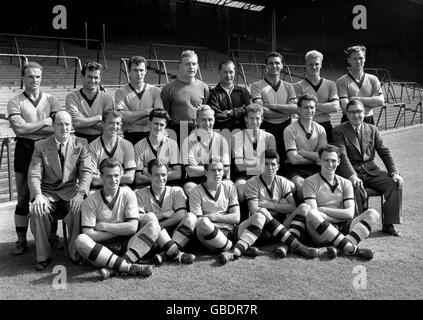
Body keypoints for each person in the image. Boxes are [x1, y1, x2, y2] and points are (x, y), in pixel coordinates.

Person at [7, 61, 61, 255]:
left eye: (38, 76)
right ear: (23, 78)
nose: (35, 80)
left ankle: (52, 237)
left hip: (48, 147)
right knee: (22, 196)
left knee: (51, 192)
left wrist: (33, 126)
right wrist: (45, 122)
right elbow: (19, 129)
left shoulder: (51, 99)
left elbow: (56, 128)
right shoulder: (15, 101)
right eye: (30, 76)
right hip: (24, 148)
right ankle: (21, 240)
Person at [75, 158, 160, 280]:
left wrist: (104, 226)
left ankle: (115, 268)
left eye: (116, 175)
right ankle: (129, 267)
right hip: (102, 251)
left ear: (121, 174)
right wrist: (121, 227)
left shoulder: (128, 193)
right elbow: (89, 234)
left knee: (153, 224)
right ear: (101, 176)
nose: (114, 180)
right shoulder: (90, 200)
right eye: (109, 176)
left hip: (127, 244)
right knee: (81, 240)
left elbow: (132, 228)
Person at [28, 111, 92, 270]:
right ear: (53, 126)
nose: (64, 127)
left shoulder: (81, 143)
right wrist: (38, 195)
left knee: (79, 208)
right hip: (48, 194)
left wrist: (81, 193)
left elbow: (86, 172)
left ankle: (75, 253)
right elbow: (34, 174)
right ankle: (43, 257)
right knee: (37, 211)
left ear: (71, 125)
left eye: (67, 124)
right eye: (60, 124)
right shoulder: (41, 146)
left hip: (71, 192)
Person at [333, 99, 404, 236]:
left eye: (359, 111)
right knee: (354, 186)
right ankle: (358, 228)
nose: (356, 115)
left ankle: (389, 224)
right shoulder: (339, 131)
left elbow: (384, 152)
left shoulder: (372, 129)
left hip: (371, 170)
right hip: (352, 170)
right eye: (352, 112)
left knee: (395, 183)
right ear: (346, 114)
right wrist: (352, 175)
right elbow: (342, 155)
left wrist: (394, 172)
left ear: (364, 113)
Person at [301, 144, 380, 260]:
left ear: (338, 162)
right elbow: (314, 212)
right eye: (326, 160)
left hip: (341, 227)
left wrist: (323, 210)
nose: (330, 164)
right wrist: (338, 216)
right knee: (312, 214)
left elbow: (349, 214)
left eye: (333, 160)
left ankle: (339, 248)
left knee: (373, 214)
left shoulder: (346, 183)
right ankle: (352, 249)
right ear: (319, 161)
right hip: (320, 232)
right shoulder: (309, 182)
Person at [189, 156, 266, 265]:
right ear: (205, 172)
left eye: (219, 170)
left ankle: (233, 251)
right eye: (213, 170)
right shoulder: (195, 191)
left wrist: (212, 217)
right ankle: (238, 248)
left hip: (231, 231)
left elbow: (236, 218)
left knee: (260, 216)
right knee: (203, 223)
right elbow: (199, 222)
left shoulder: (229, 187)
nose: (217, 173)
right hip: (211, 237)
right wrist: (217, 219)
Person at [244, 149, 318, 259]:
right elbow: (255, 211)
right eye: (266, 164)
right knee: (262, 213)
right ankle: (296, 246)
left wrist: (270, 205)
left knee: (304, 207)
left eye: (273, 164)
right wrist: (282, 206)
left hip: (281, 224)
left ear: (278, 166)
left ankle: (285, 245)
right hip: (263, 230)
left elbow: (293, 207)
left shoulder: (282, 181)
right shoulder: (252, 183)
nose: (270, 167)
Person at [136, 159, 197, 265]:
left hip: (177, 234)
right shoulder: (139, 193)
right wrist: (162, 214)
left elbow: (181, 215)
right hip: (153, 238)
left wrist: (158, 225)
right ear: (149, 176)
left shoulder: (176, 191)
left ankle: (165, 255)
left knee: (191, 217)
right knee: (150, 217)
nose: (160, 178)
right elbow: (140, 220)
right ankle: (177, 254)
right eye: (156, 175)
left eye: (163, 174)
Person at [250, 52, 297, 168]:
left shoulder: (289, 86)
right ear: (266, 66)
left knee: (284, 162)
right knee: (266, 162)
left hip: (286, 127)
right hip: (266, 127)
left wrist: (271, 106)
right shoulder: (257, 86)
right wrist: (285, 110)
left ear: (282, 66)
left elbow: (295, 109)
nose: (274, 66)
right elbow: (260, 112)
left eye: (277, 63)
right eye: (271, 63)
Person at [283, 94, 327, 201]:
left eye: (312, 107)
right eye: (306, 107)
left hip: (316, 169)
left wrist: (303, 153)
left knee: (325, 187)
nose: (309, 110)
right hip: (295, 170)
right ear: (298, 109)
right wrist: (316, 159)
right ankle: (303, 215)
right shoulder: (289, 130)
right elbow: (293, 160)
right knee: (302, 186)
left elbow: (323, 156)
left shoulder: (321, 129)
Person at [231, 103, 276, 206]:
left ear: (262, 119)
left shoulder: (269, 137)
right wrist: (261, 162)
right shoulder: (237, 137)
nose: (255, 122)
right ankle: (244, 219)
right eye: (251, 118)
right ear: (246, 119)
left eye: (257, 118)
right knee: (241, 192)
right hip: (244, 177)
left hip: (265, 175)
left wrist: (252, 164)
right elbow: (239, 166)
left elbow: (272, 163)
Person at [161, 50, 209, 144]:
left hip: (197, 130)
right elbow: (166, 113)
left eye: (194, 64)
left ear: (197, 66)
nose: (191, 67)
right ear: (180, 66)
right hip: (177, 131)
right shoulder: (168, 88)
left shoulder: (204, 87)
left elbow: (205, 109)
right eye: (187, 64)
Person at [115, 56, 164, 145]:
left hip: (151, 135)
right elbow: (121, 117)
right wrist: (146, 112)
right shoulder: (120, 92)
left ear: (145, 71)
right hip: (130, 136)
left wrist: (130, 119)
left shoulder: (155, 90)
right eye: (135, 70)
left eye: (141, 70)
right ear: (129, 72)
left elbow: (158, 118)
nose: (139, 73)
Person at [182, 105, 230, 196]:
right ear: (197, 121)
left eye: (210, 119)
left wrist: (205, 169)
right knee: (190, 188)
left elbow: (226, 169)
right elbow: (190, 171)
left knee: (231, 186)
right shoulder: (188, 141)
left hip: (218, 178)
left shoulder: (222, 140)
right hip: (196, 180)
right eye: (203, 120)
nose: (207, 123)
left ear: (214, 120)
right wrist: (215, 168)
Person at [294, 50, 339, 142]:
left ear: (321, 64)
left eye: (317, 64)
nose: (314, 67)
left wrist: (308, 105)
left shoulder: (331, 84)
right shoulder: (297, 86)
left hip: (326, 126)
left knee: (327, 155)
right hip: (305, 127)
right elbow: (298, 109)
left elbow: (335, 107)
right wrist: (324, 107)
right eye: (310, 64)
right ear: (306, 65)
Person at [66, 61, 114, 143]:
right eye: (89, 77)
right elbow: (77, 123)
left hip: (102, 141)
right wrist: (99, 118)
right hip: (80, 140)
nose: (93, 80)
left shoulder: (107, 98)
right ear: (82, 76)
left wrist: (84, 121)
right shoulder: (72, 97)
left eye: (96, 77)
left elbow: (109, 125)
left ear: (100, 78)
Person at [336, 45, 384, 124]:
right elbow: (345, 106)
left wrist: (356, 99)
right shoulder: (341, 81)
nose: (358, 61)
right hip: (349, 121)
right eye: (355, 59)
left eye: (361, 58)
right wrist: (370, 102)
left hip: (368, 120)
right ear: (349, 60)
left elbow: (380, 101)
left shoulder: (373, 79)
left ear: (364, 59)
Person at [89, 110, 136, 189]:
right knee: (91, 195)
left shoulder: (127, 145)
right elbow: (94, 180)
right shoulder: (92, 146)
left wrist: (105, 178)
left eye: (118, 123)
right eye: (111, 123)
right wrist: (121, 175)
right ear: (103, 124)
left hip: (122, 187)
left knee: (130, 194)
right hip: (100, 188)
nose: (115, 127)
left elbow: (130, 178)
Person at [134, 109, 181, 187]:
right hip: (147, 186)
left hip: (168, 185)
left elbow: (177, 174)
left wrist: (150, 174)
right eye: (155, 124)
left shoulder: (172, 144)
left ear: (165, 125)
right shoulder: (139, 146)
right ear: (149, 123)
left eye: (161, 125)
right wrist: (165, 172)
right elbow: (138, 178)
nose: (158, 127)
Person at [207, 59, 251, 131]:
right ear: (219, 72)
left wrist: (230, 112)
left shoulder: (243, 91)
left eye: (231, 72)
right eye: (225, 72)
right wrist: (239, 116)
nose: (228, 75)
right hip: (221, 134)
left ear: (235, 72)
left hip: (241, 133)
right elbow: (216, 116)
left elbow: (250, 111)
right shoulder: (213, 93)